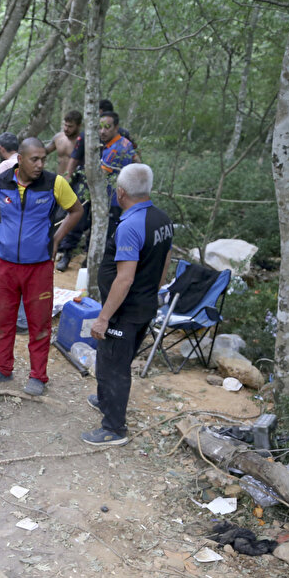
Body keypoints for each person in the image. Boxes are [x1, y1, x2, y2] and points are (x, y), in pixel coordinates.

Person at [0, 138, 82, 396]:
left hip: (39, 266)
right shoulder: (0, 182)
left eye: (43, 159)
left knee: (39, 323)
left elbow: (76, 211)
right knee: (2, 319)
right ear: (20, 160)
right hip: (6, 265)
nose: (40, 164)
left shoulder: (54, 183)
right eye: (35, 159)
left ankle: (38, 376)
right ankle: (2, 368)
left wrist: (56, 239)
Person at [83, 163, 173, 446]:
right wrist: (153, 290)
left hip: (125, 311)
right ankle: (105, 400)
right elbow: (166, 260)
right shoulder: (162, 218)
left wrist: (104, 318)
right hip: (145, 305)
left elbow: (124, 279)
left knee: (113, 367)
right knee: (116, 359)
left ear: (120, 193)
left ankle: (114, 428)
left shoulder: (131, 225)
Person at [47, 110, 83, 177]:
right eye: (65, 125)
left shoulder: (82, 142)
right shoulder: (58, 137)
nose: (66, 129)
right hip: (59, 180)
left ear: (79, 126)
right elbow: (43, 151)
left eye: (70, 126)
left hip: (77, 183)